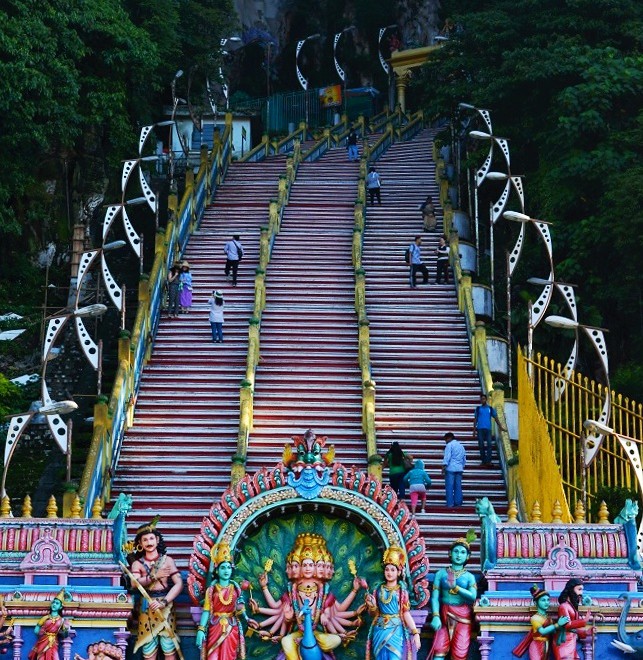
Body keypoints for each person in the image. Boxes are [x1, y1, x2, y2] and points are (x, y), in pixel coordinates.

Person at [129, 522, 183, 660]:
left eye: (151, 538)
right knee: (149, 647)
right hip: (147, 607)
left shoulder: (168, 561)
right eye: (145, 539)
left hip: (166, 606)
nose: (149, 542)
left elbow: (178, 584)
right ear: (140, 543)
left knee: (169, 645)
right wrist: (153, 577)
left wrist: (165, 602)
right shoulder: (138, 564)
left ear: (157, 540)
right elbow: (134, 583)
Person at [196, 541, 256, 659]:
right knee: (212, 656)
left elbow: (241, 608)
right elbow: (207, 611)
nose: (226, 570)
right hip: (215, 626)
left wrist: (247, 618)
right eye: (223, 567)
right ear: (217, 570)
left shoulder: (236, 589)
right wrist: (201, 629)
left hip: (231, 627)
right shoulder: (212, 590)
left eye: (228, 567)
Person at [365, 545, 421, 659]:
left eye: (392, 569)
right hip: (379, 629)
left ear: (399, 572)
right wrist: (372, 606)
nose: (389, 573)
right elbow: (374, 614)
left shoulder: (401, 592)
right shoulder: (378, 590)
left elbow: (405, 613)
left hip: (395, 630)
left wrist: (415, 633)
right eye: (387, 569)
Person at [427, 538, 477, 660]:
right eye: (456, 551)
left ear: (468, 556)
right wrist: (435, 616)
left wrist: (456, 587)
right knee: (438, 650)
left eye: (462, 552)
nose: (459, 555)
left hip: (463, 617)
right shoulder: (441, 574)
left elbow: (473, 596)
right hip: (443, 616)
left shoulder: (469, 577)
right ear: (450, 553)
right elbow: (434, 597)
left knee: (460, 653)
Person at [512, 585, 570, 659]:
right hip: (536, 645)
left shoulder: (548, 618)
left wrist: (563, 628)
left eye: (548, 600)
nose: (546, 602)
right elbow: (542, 631)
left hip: (546, 645)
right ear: (536, 603)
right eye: (543, 600)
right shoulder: (535, 618)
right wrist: (558, 624)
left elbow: (553, 632)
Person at [552, 578, 592, 659]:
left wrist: (585, 633)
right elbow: (567, 625)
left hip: (571, 642)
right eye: (579, 589)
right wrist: (584, 621)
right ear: (571, 590)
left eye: (582, 590)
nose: (581, 593)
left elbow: (573, 629)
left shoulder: (571, 607)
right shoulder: (563, 606)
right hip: (563, 643)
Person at [28, 590, 69, 660]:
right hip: (43, 640)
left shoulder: (62, 620)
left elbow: (65, 635)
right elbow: (36, 630)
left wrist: (65, 629)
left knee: (55, 658)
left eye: (57, 603)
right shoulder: (45, 618)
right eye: (53, 602)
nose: (54, 604)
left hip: (54, 642)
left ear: (60, 607)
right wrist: (40, 632)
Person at [474, 394, 506, 467]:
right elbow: (475, 419)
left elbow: (496, 418)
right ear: (480, 400)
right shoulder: (478, 409)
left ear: (486, 400)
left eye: (484, 399)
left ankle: (488, 461)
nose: (483, 400)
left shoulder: (490, 409)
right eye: (482, 399)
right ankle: (483, 461)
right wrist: (474, 430)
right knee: (481, 445)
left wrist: (500, 426)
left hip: (488, 429)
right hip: (480, 429)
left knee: (489, 445)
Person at [442, 432, 466, 508]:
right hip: (459, 468)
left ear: (449, 438)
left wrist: (444, 466)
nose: (445, 442)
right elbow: (464, 458)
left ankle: (450, 503)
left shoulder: (449, 445)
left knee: (449, 486)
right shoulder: (461, 446)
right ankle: (458, 502)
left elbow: (447, 457)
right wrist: (463, 466)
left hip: (450, 468)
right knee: (458, 486)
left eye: (445, 440)